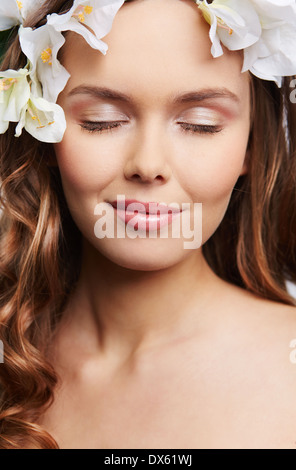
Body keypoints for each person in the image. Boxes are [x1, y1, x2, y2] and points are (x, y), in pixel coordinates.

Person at [0, 0, 296, 450]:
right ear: (45, 133)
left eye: (200, 125)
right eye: (102, 122)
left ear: (252, 146)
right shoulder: (13, 358)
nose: (149, 164)